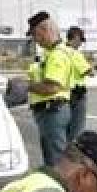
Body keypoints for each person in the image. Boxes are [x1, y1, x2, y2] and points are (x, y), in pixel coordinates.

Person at [26, 11, 74, 165]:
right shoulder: (52, 53)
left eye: (34, 34)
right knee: (53, 157)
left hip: (52, 111)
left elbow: (51, 87)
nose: (35, 39)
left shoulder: (57, 55)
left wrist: (25, 86)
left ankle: (60, 187)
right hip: (51, 111)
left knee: (56, 161)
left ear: (43, 30)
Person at [65, 26, 92, 140]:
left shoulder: (60, 51)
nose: (81, 43)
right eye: (81, 40)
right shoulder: (74, 53)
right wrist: (92, 67)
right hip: (77, 93)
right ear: (75, 38)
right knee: (77, 130)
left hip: (64, 93)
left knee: (66, 127)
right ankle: (73, 153)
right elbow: (88, 71)